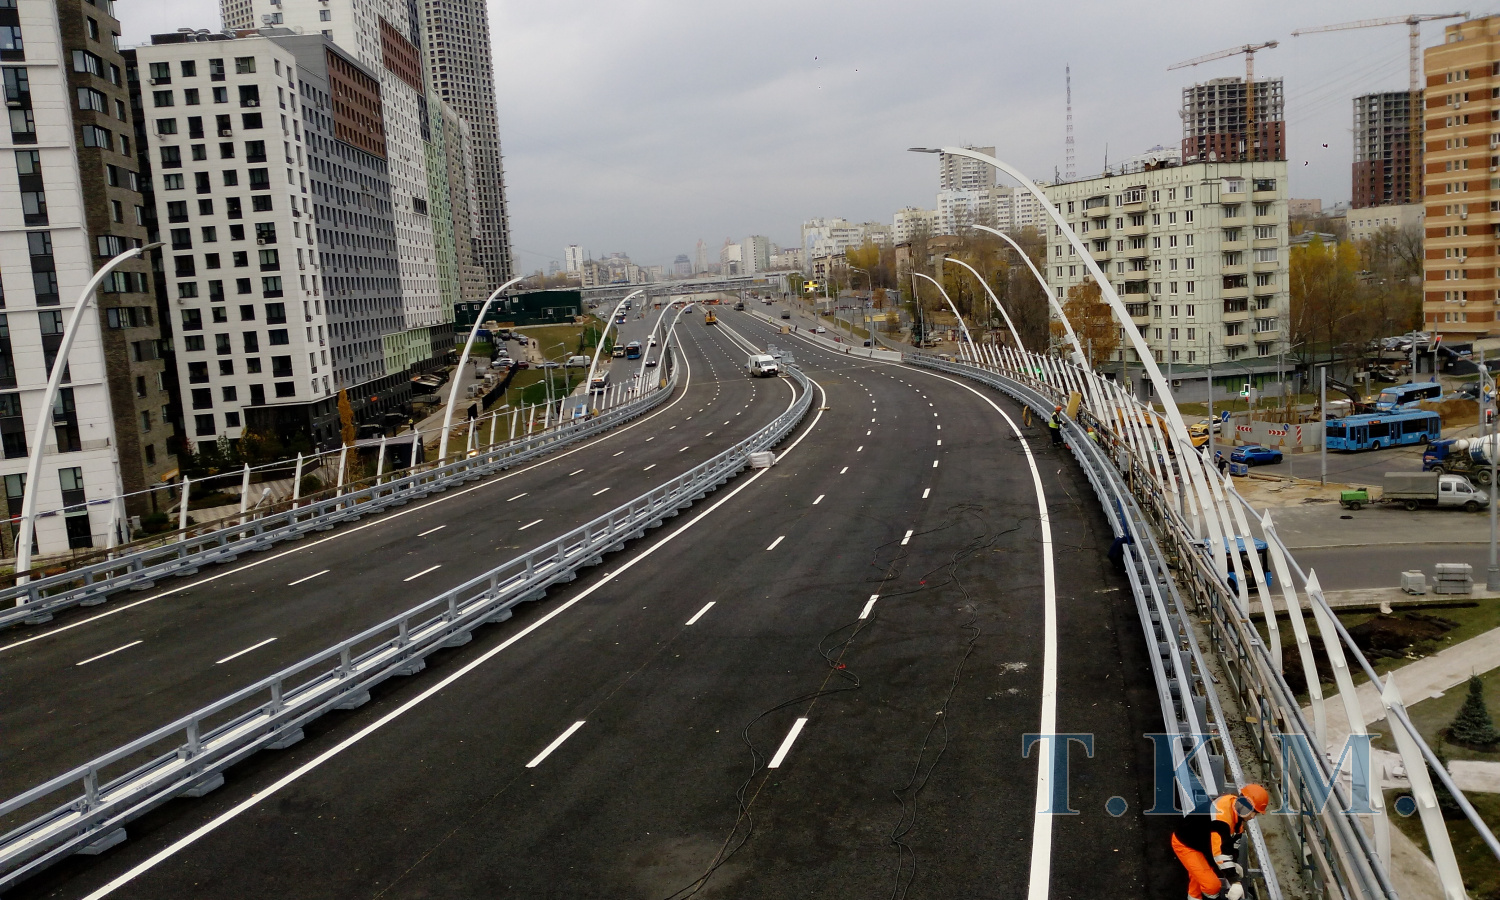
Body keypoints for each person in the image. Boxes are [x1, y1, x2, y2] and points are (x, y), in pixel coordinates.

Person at [1171, 784, 1269, 900]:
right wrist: (1234, 881)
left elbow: (1231, 846)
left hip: (1200, 842)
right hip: (1186, 845)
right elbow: (1220, 852)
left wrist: (1232, 865)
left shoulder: (1235, 813)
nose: (1253, 817)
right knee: (1211, 886)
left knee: (1199, 879)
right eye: (1254, 812)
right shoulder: (1222, 817)